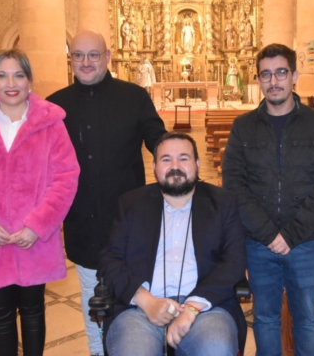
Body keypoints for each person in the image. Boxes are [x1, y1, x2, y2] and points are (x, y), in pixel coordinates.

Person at [0, 49, 80, 356]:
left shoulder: (50, 125)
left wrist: (37, 225)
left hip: (32, 241)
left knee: (34, 311)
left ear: (30, 82)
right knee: (0, 314)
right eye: (2, 75)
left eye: (19, 75)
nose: (11, 83)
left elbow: (66, 176)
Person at [46, 29, 166, 356]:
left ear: (108, 57)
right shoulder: (55, 106)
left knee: (133, 293)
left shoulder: (134, 96)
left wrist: (175, 161)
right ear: (70, 58)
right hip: (82, 219)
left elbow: (158, 140)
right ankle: (98, 352)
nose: (86, 62)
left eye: (93, 55)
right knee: (91, 297)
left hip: (128, 221)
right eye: (78, 55)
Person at [222, 43, 314, 356]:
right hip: (259, 244)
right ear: (258, 80)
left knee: (307, 318)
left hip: (304, 242)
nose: (273, 81)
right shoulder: (243, 126)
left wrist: (290, 234)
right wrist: (268, 234)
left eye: (280, 73)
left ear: (294, 76)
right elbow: (234, 184)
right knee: (264, 318)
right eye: (266, 74)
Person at [98, 131, 247, 355]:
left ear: (197, 164)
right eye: (166, 159)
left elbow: (234, 261)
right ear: (154, 166)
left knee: (215, 349)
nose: (175, 166)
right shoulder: (130, 204)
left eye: (183, 158)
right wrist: (146, 301)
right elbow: (110, 260)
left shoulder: (223, 203)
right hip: (139, 308)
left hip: (206, 307)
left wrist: (192, 308)